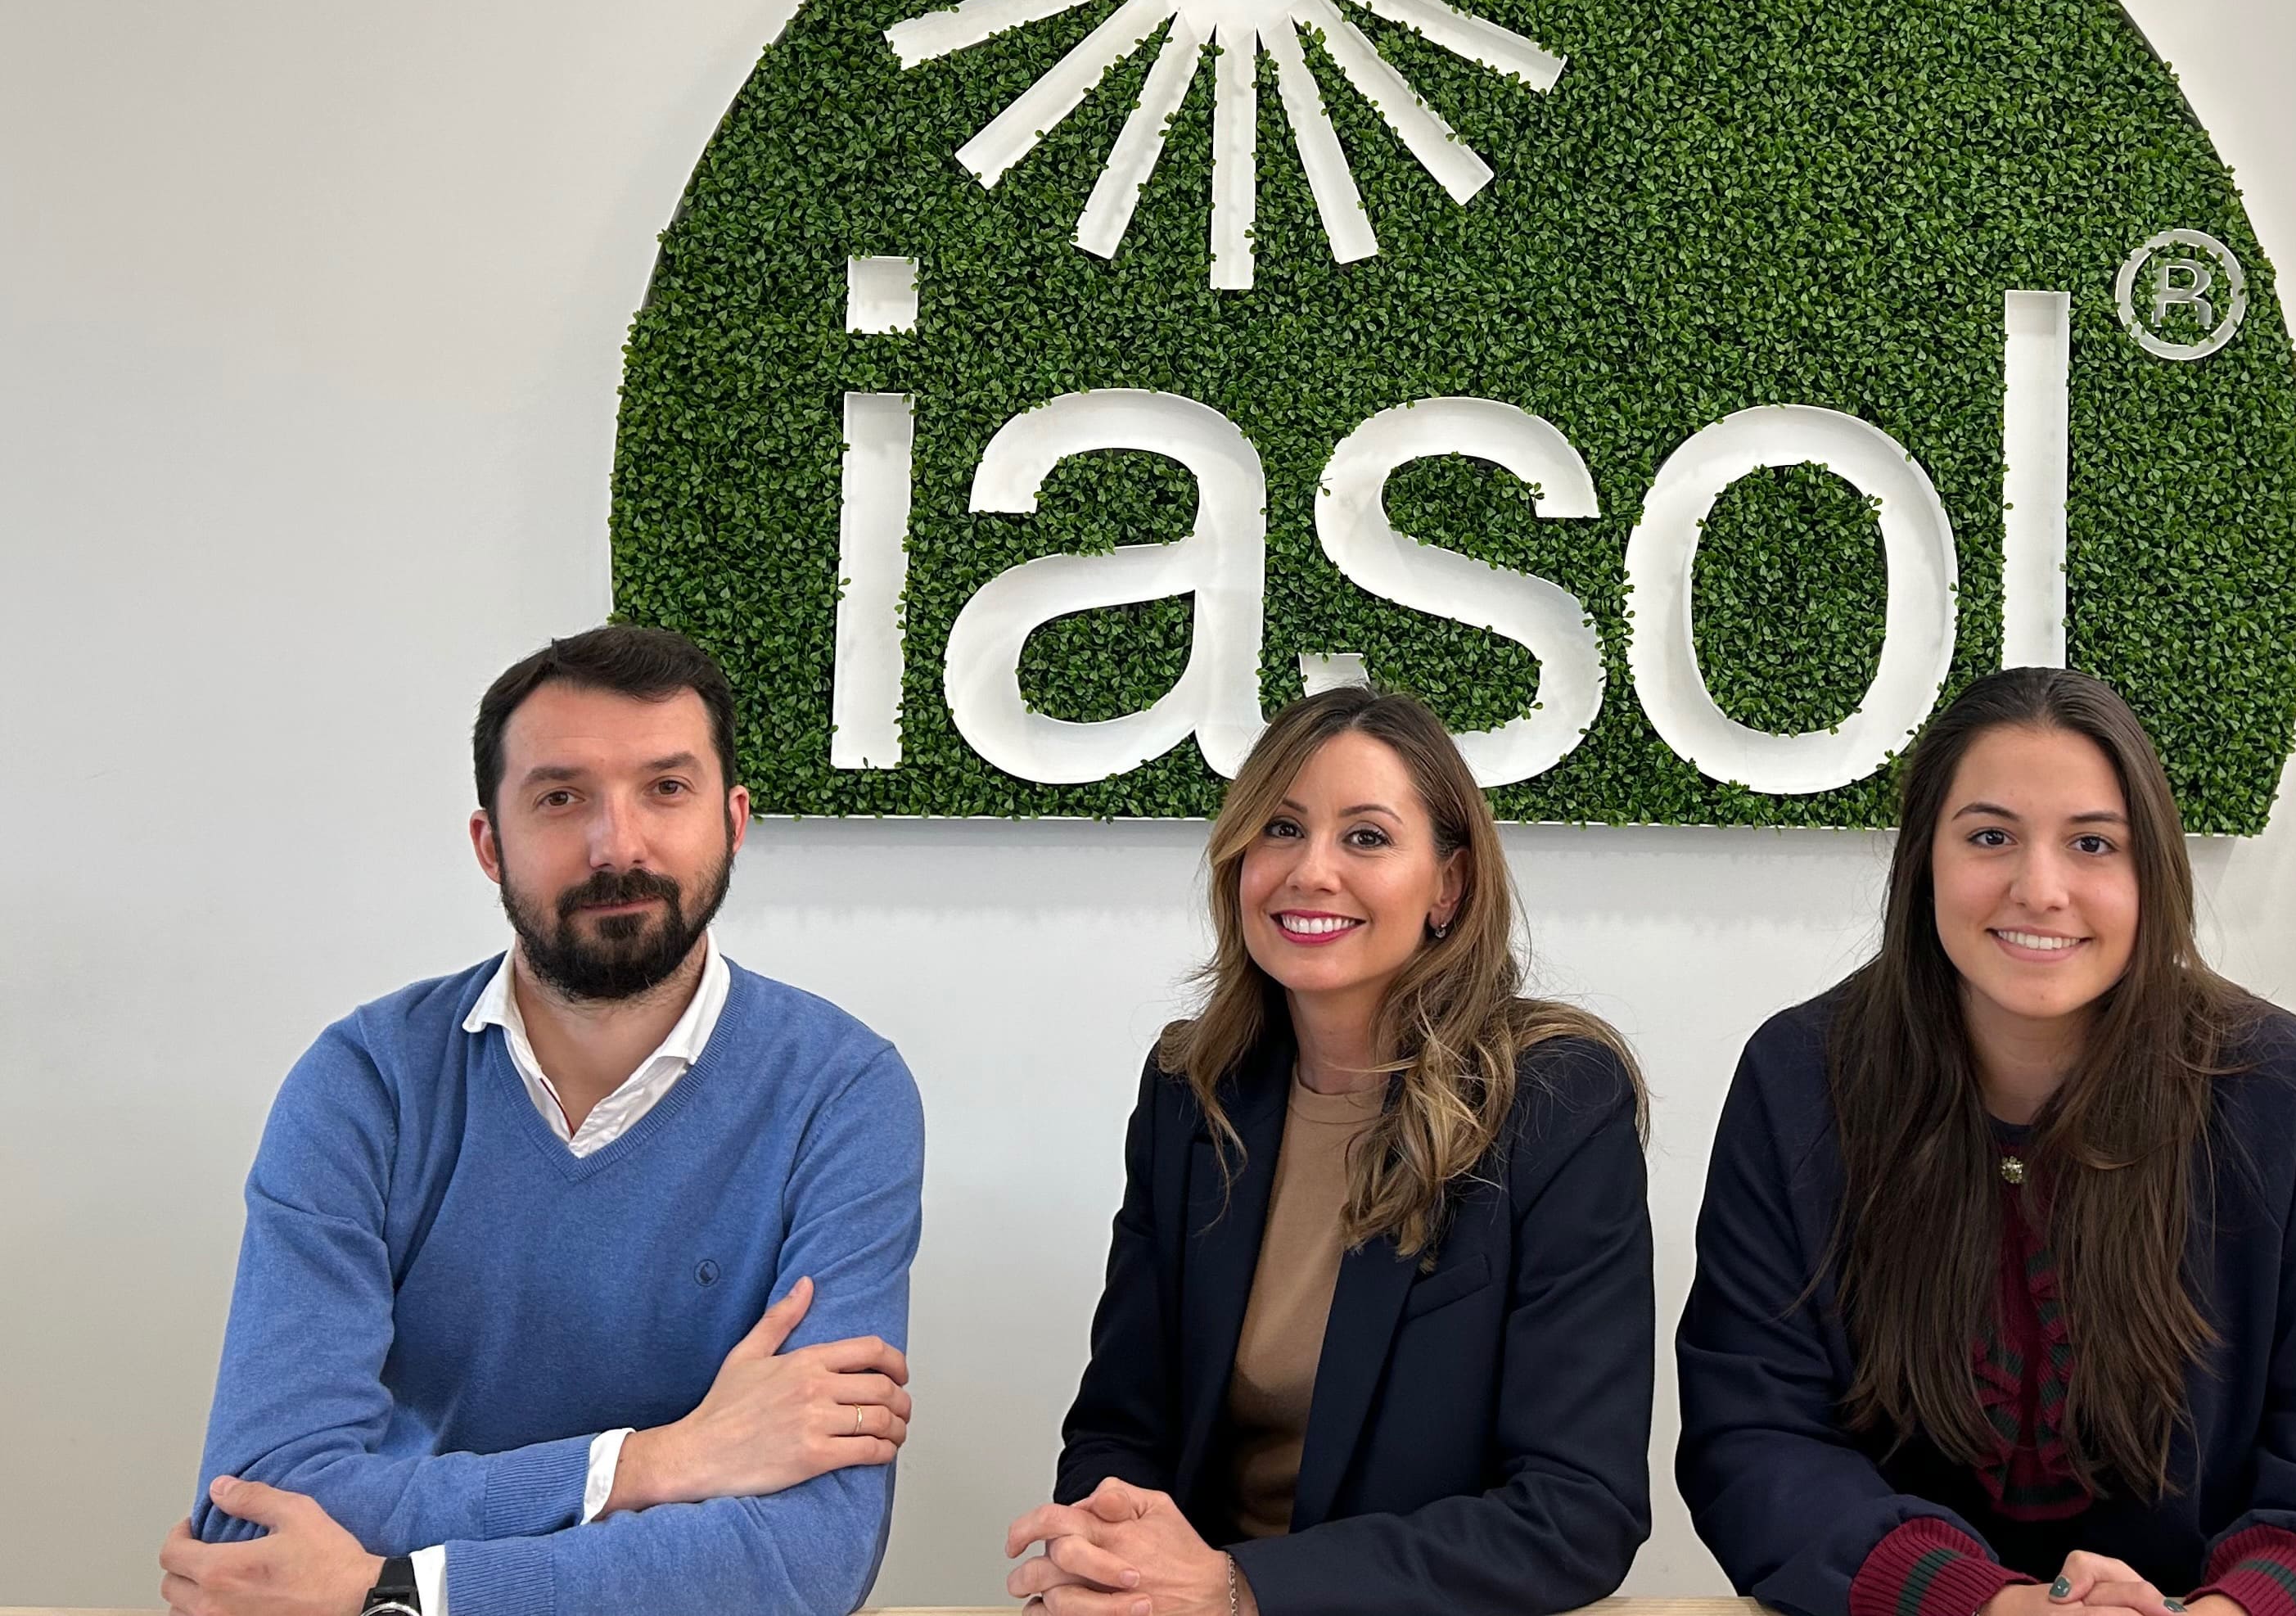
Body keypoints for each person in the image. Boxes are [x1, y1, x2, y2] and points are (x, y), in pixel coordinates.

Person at [161, 625, 925, 1616]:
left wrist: (399, 1591)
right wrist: (652, 1463)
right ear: (490, 842)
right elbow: (256, 1510)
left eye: (666, 788)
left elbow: (806, 1556)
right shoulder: (366, 1083)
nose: (618, 845)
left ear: (733, 823)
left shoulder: (840, 1091)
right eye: (561, 797)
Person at [1677, 668, 2296, 1616]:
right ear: (1922, 858)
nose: (2038, 889)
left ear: (2152, 874)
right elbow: (1755, 1439)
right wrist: (1994, 1605)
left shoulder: (2275, 1089)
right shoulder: (1801, 1079)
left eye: (2092, 843)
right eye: (1988, 837)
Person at [1003, 686, 1653, 1616]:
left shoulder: (1554, 1100)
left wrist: (1242, 1589)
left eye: (1366, 837)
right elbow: (1119, 1425)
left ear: (1449, 885)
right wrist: (1109, 1554)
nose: (1309, 871)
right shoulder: (1190, 1088)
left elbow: (1576, 1514)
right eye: (1279, 827)